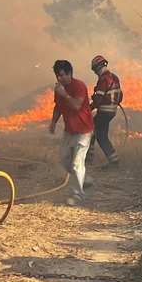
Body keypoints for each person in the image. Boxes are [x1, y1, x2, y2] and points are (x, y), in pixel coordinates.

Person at [49, 60, 94, 206]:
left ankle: (78, 195)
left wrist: (64, 94)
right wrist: (53, 122)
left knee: (76, 164)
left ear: (69, 73)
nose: (59, 79)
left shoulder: (79, 86)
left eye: (61, 75)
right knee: (64, 160)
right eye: (57, 75)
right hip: (69, 131)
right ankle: (84, 179)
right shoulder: (59, 89)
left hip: (83, 131)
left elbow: (76, 105)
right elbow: (58, 106)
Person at [88, 55, 122, 168]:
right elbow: (120, 96)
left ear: (98, 67)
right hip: (111, 112)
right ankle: (89, 155)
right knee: (93, 128)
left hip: (104, 112)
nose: (95, 73)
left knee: (101, 137)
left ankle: (114, 161)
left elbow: (98, 100)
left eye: (95, 70)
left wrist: (89, 108)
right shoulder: (115, 78)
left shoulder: (103, 80)